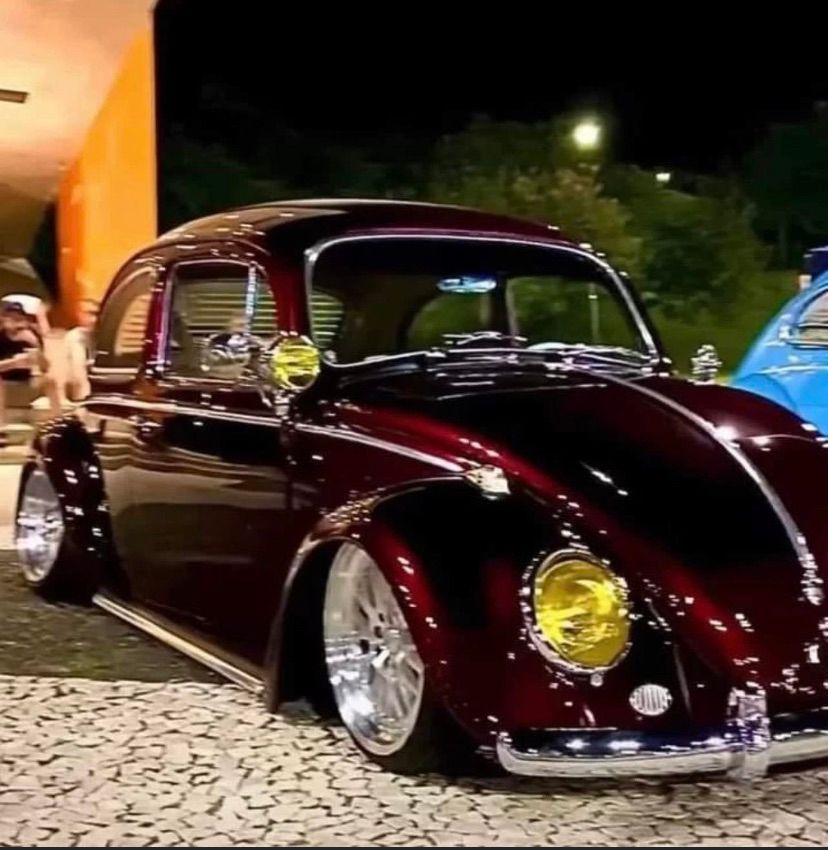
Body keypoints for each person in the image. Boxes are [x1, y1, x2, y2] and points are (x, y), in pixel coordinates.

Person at [0, 302, 60, 445]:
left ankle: (58, 424)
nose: (15, 323)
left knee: (50, 380)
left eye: (18, 319)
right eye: (10, 318)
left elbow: (45, 367)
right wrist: (13, 363)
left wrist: (36, 346)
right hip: (5, 383)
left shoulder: (31, 335)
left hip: (28, 382)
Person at [63, 298, 99, 401]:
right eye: (89, 314)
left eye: (96, 314)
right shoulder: (75, 336)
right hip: (80, 396)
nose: (94, 319)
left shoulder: (101, 335)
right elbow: (78, 374)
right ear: (79, 315)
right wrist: (84, 401)